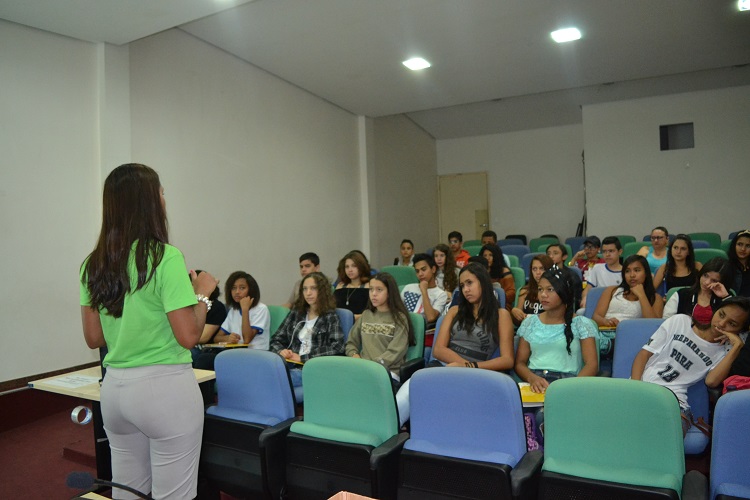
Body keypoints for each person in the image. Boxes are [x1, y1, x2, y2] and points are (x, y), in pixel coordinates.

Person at [80, 163, 218, 499]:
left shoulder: (93, 263)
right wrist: (201, 294)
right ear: (149, 203)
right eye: (161, 192)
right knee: (174, 494)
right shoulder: (165, 258)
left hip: (115, 392)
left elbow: (94, 339)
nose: (164, 199)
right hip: (165, 391)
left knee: (129, 490)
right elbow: (189, 336)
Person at [395, 262, 515, 425]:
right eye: (462, 285)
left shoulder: (501, 315)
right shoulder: (454, 311)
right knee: (411, 388)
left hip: (477, 374)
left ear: (483, 282)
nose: (465, 289)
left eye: (470, 283)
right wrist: (462, 364)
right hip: (443, 365)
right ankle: (389, 435)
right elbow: (438, 349)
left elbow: (507, 359)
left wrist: (469, 367)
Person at [632, 297, 750, 435]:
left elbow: (711, 381)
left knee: (657, 439)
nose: (722, 323)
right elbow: (644, 354)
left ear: (740, 330)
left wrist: (737, 346)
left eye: (732, 324)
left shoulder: (725, 353)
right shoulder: (681, 321)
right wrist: (636, 390)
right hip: (640, 390)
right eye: (721, 314)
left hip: (673, 404)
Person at [514, 268, 599, 393]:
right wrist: (531, 378)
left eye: (550, 289)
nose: (543, 295)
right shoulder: (529, 322)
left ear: (564, 292)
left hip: (568, 383)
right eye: (540, 289)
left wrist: (571, 388)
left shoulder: (581, 324)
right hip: (535, 382)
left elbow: (592, 365)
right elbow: (520, 363)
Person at [269, 272, 345, 388]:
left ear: (322, 291)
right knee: (265, 373)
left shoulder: (330, 316)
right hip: (290, 364)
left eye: (313, 288)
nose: (308, 293)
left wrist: (303, 358)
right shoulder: (297, 312)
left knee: (275, 379)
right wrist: (281, 351)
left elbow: (337, 347)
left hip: (313, 369)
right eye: (305, 289)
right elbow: (275, 339)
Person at [345, 272, 415, 385]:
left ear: (389, 293)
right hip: (363, 370)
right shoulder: (366, 315)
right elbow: (351, 342)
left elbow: (395, 352)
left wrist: (370, 366)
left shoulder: (400, 318)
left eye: (379, 290)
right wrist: (355, 356)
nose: (373, 294)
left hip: (387, 373)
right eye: (371, 289)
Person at [593, 255, 664, 328]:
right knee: (581, 320)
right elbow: (596, 317)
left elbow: (653, 325)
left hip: (630, 335)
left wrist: (642, 295)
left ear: (646, 273)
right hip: (605, 332)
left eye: (637, 270)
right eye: (627, 271)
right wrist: (606, 321)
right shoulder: (612, 290)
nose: (632, 275)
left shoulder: (655, 298)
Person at [663, 257, 733, 324]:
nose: (706, 282)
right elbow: (666, 321)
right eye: (705, 275)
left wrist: (725, 297)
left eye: (714, 280)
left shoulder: (726, 298)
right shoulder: (682, 294)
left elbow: (733, 322)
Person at [216, 271, 270, 349]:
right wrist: (227, 338)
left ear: (251, 290)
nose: (237, 292)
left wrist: (245, 309)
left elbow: (247, 340)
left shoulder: (261, 309)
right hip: (236, 352)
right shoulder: (233, 310)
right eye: (233, 288)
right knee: (206, 357)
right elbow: (217, 338)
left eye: (242, 288)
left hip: (256, 355)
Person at [401, 253, 449, 326]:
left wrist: (424, 291)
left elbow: (430, 317)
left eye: (423, 269)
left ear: (433, 269)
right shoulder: (408, 287)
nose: (420, 274)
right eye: (417, 271)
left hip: (420, 330)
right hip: (402, 326)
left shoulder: (441, 294)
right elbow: (396, 309)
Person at [580, 236, 623, 309]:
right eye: (604, 251)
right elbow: (588, 289)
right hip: (598, 306)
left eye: (611, 251)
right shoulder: (597, 268)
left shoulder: (626, 272)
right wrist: (585, 298)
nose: (607, 254)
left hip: (618, 307)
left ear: (620, 252)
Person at [512, 254, 554, 326]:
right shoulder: (525, 291)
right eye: (534, 269)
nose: (538, 273)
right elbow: (518, 322)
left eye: (542, 268)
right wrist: (515, 312)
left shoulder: (556, 291)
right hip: (527, 332)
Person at [334, 251, 371, 318]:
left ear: (361, 267)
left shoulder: (369, 286)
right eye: (347, 267)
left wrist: (351, 318)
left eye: (354, 266)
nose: (350, 270)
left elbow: (371, 313)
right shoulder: (340, 286)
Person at [546, 243, 583, 310]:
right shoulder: (544, 274)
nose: (551, 256)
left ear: (564, 256)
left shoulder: (571, 276)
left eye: (555, 253)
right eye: (548, 254)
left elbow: (576, 299)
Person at [480, 243, 515, 311]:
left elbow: (512, 294)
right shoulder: (480, 271)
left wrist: (496, 297)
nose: (487, 258)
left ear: (496, 256)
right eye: (485, 255)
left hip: (502, 305)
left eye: (490, 255)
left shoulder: (504, 271)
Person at [728, 229, 750, 297]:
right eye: (740, 244)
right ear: (734, 245)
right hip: (734, 304)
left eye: (748, 246)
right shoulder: (727, 266)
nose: (743, 249)